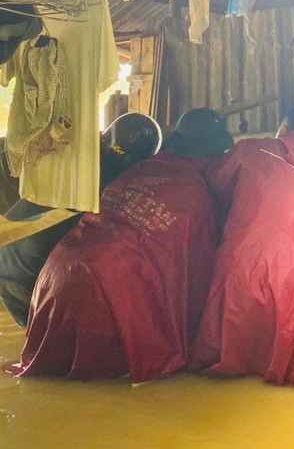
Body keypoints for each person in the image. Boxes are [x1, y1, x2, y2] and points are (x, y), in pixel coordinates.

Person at [11, 108, 233, 381]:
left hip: (51, 278)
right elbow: (196, 280)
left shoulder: (129, 169)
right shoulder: (201, 192)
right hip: (106, 297)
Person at [190, 100, 294, 390]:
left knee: (226, 378)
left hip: (240, 277)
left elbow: (214, 183)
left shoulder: (249, 150)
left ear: (284, 127)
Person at [0, 112, 163, 326]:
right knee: (50, 346)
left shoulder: (75, 158)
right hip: (30, 272)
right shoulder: (114, 186)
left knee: (35, 344)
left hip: (6, 253)